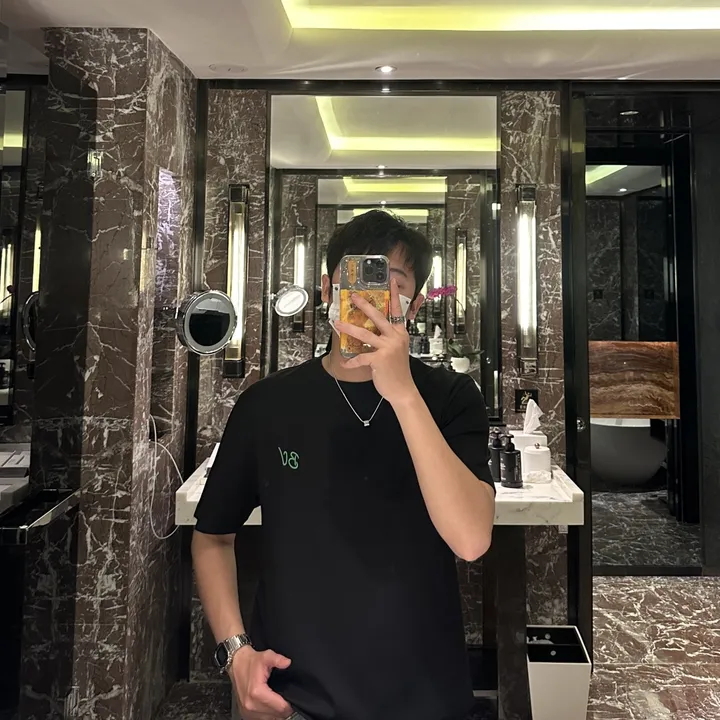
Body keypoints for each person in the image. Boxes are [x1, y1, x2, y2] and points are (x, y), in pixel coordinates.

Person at [192, 210, 496, 720]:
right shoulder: (268, 405)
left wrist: (403, 395)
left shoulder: (450, 397)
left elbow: (471, 539)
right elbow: (212, 537)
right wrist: (235, 653)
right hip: (293, 699)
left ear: (416, 305)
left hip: (425, 697)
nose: (369, 300)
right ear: (328, 289)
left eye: (392, 284)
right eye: (358, 280)